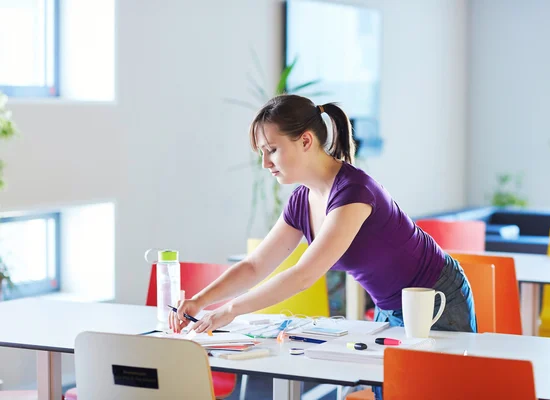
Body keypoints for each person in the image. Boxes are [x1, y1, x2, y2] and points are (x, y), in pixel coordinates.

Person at [171, 94, 476, 399]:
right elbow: (256, 265)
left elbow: (305, 275)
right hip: (391, 307)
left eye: (272, 150)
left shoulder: (354, 192)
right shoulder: (302, 200)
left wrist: (230, 310)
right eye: (262, 153)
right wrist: (199, 301)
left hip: (436, 299)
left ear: (305, 141)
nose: (265, 163)